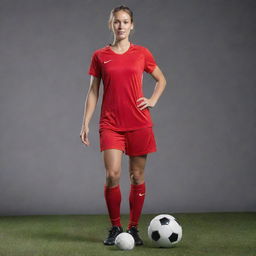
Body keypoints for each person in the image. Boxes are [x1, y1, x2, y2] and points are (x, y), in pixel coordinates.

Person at [80, 5, 166, 246]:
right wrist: (85, 122)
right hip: (111, 124)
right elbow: (93, 91)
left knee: (137, 176)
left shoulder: (142, 53)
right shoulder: (100, 55)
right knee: (113, 174)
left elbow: (161, 79)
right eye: (117, 21)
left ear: (132, 25)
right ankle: (116, 227)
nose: (121, 26)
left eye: (125, 21)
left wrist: (152, 100)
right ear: (111, 24)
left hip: (139, 123)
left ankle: (133, 229)